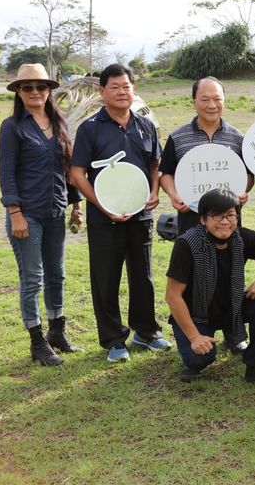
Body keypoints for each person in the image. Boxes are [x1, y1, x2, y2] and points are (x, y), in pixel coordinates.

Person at [69, 63, 171, 362]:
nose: (122, 92)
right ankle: (114, 340)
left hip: (140, 216)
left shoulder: (145, 125)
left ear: (133, 89)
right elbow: (77, 174)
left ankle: (146, 332)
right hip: (104, 219)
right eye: (115, 87)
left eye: (127, 86)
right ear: (102, 92)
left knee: (143, 276)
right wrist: (102, 205)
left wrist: (154, 191)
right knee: (106, 277)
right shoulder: (90, 128)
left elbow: (156, 164)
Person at [0, 63, 84, 366]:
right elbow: (7, 173)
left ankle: (56, 332)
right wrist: (15, 213)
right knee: (33, 277)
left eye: (41, 87)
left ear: (49, 91)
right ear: (19, 93)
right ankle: (36, 342)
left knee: (57, 275)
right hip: (27, 215)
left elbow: (67, 169)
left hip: (55, 211)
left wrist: (75, 206)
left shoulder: (60, 123)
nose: (35, 92)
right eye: (27, 87)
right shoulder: (12, 127)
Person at [164, 189, 255, 385]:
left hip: (232, 307)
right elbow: (173, 296)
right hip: (196, 313)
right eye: (216, 215)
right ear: (203, 219)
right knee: (199, 358)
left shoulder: (242, 238)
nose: (225, 221)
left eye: (230, 215)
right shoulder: (187, 244)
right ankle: (199, 341)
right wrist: (195, 336)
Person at [159, 77, 254, 236]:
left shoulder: (238, 138)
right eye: (205, 99)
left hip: (227, 219)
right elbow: (166, 173)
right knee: (192, 259)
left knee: (228, 260)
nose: (212, 105)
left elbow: (248, 175)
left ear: (224, 101)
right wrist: (174, 194)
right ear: (194, 101)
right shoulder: (177, 137)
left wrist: (242, 190)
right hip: (191, 216)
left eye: (217, 99)